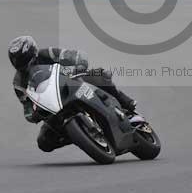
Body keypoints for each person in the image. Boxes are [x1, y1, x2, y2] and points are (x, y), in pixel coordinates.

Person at [9, 36, 137, 152]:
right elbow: (26, 107)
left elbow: (74, 55)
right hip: (53, 108)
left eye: (24, 60)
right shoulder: (18, 83)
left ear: (33, 52)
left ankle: (125, 102)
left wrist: (80, 64)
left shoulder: (47, 53)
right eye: (18, 62)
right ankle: (79, 135)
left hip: (72, 83)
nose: (23, 65)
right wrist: (33, 114)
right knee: (43, 142)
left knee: (100, 75)